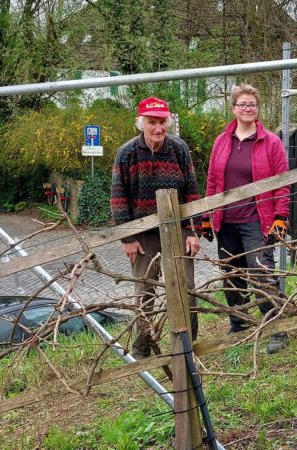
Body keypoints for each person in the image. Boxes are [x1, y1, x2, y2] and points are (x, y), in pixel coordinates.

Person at [110, 97, 203, 359]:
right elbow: (118, 197)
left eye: (162, 122)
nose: (158, 128)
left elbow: (192, 191)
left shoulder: (179, 149)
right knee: (144, 290)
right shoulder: (127, 153)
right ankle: (142, 348)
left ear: (168, 122)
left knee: (187, 287)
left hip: (178, 227)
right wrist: (127, 238)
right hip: (143, 233)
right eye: (152, 122)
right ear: (141, 124)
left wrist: (193, 231)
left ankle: (188, 344)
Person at [203, 84, 290, 354]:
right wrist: (207, 216)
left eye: (252, 104)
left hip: (257, 219)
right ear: (233, 108)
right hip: (226, 220)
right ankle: (239, 325)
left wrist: (280, 216)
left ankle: (276, 328)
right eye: (242, 104)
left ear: (257, 108)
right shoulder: (221, 141)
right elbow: (212, 181)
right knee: (231, 273)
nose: (247, 108)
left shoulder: (270, 142)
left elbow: (283, 183)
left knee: (261, 272)